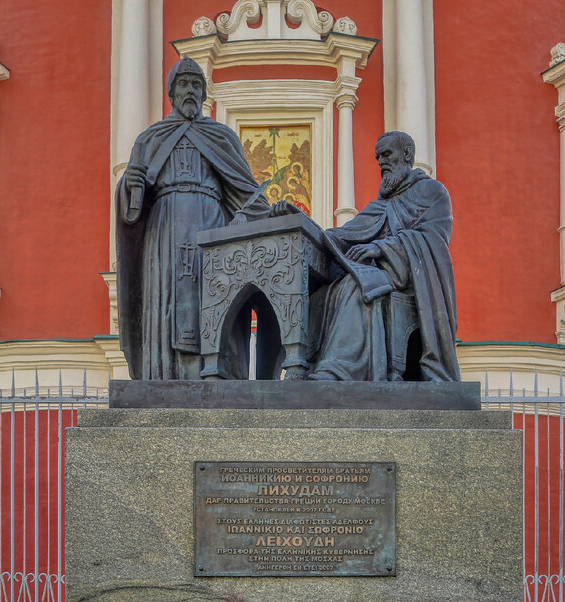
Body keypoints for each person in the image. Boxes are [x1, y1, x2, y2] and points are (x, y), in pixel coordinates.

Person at [116, 57, 272, 380]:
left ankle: (218, 374)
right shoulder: (150, 139)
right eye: (184, 85)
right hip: (164, 233)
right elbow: (132, 204)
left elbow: (246, 192)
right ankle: (164, 376)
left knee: (212, 301)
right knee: (167, 301)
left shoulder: (222, 138)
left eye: (197, 85)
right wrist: (130, 187)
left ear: (204, 94)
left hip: (211, 231)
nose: (191, 91)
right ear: (172, 93)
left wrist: (263, 220)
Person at [308, 131, 460, 381]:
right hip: (379, 273)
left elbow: (434, 240)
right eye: (378, 157)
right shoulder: (381, 205)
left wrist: (381, 249)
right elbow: (342, 235)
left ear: (407, 154)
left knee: (357, 288)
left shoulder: (431, 192)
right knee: (322, 294)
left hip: (411, 279)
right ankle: (311, 366)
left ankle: (339, 370)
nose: (381, 162)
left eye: (387, 154)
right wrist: (296, 219)